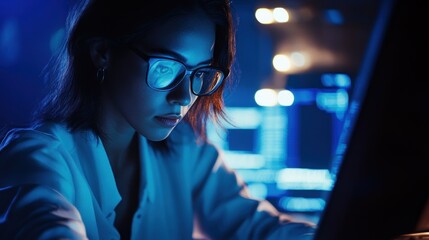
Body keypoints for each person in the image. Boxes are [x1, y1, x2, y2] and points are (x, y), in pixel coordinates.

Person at [0, 0, 316, 239]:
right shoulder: (38, 158)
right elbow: (46, 223)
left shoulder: (185, 150)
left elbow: (260, 228)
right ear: (102, 53)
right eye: (165, 67)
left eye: (198, 73)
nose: (183, 97)